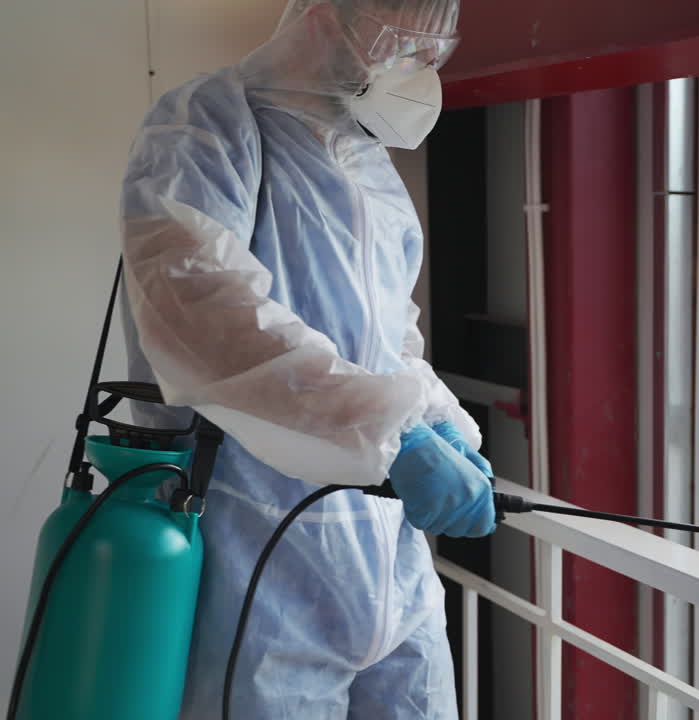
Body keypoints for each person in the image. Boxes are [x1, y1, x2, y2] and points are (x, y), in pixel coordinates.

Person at [118, 0, 493, 717]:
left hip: (390, 553)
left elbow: (391, 339)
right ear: (326, 18)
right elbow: (205, 318)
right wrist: (393, 433)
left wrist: (438, 421)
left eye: (430, 52)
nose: (414, 68)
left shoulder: (369, 167)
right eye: (403, 42)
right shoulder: (206, 127)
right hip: (261, 548)